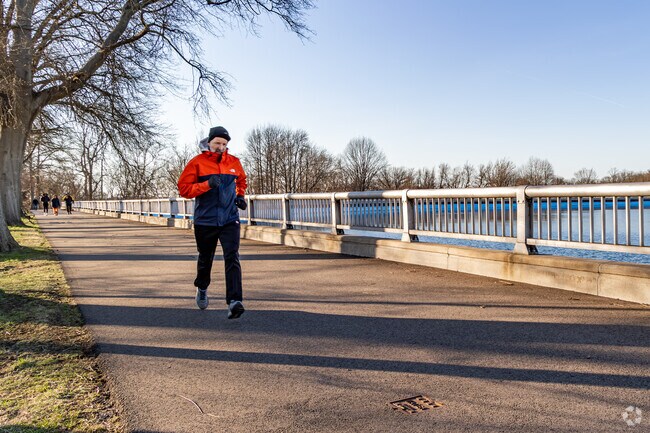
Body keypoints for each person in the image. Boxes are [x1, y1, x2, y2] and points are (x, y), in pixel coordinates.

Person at [177, 126, 248, 319]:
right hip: (205, 220)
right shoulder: (197, 163)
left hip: (229, 218)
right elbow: (184, 189)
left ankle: (234, 301)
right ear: (208, 142)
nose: (221, 147)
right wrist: (206, 185)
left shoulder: (234, 162)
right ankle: (202, 287)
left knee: (232, 256)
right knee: (205, 258)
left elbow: (241, 181)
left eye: (224, 144)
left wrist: (240, 196)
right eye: (217, 143)